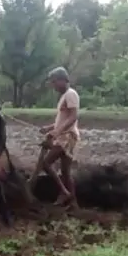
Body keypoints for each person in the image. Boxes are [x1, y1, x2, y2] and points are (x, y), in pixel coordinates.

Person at [39, 67, 80, 207]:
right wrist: (49, 128)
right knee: (65, 172)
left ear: (63, 80)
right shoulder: (64, 96)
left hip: (67, 137)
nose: (54, 85)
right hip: (64, 135)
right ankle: (73, 203)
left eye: (55, 82)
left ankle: (64, 192)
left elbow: (73, 117)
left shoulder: (71, 94)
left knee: (46, 163)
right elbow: (63, 119)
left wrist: (56, 133)